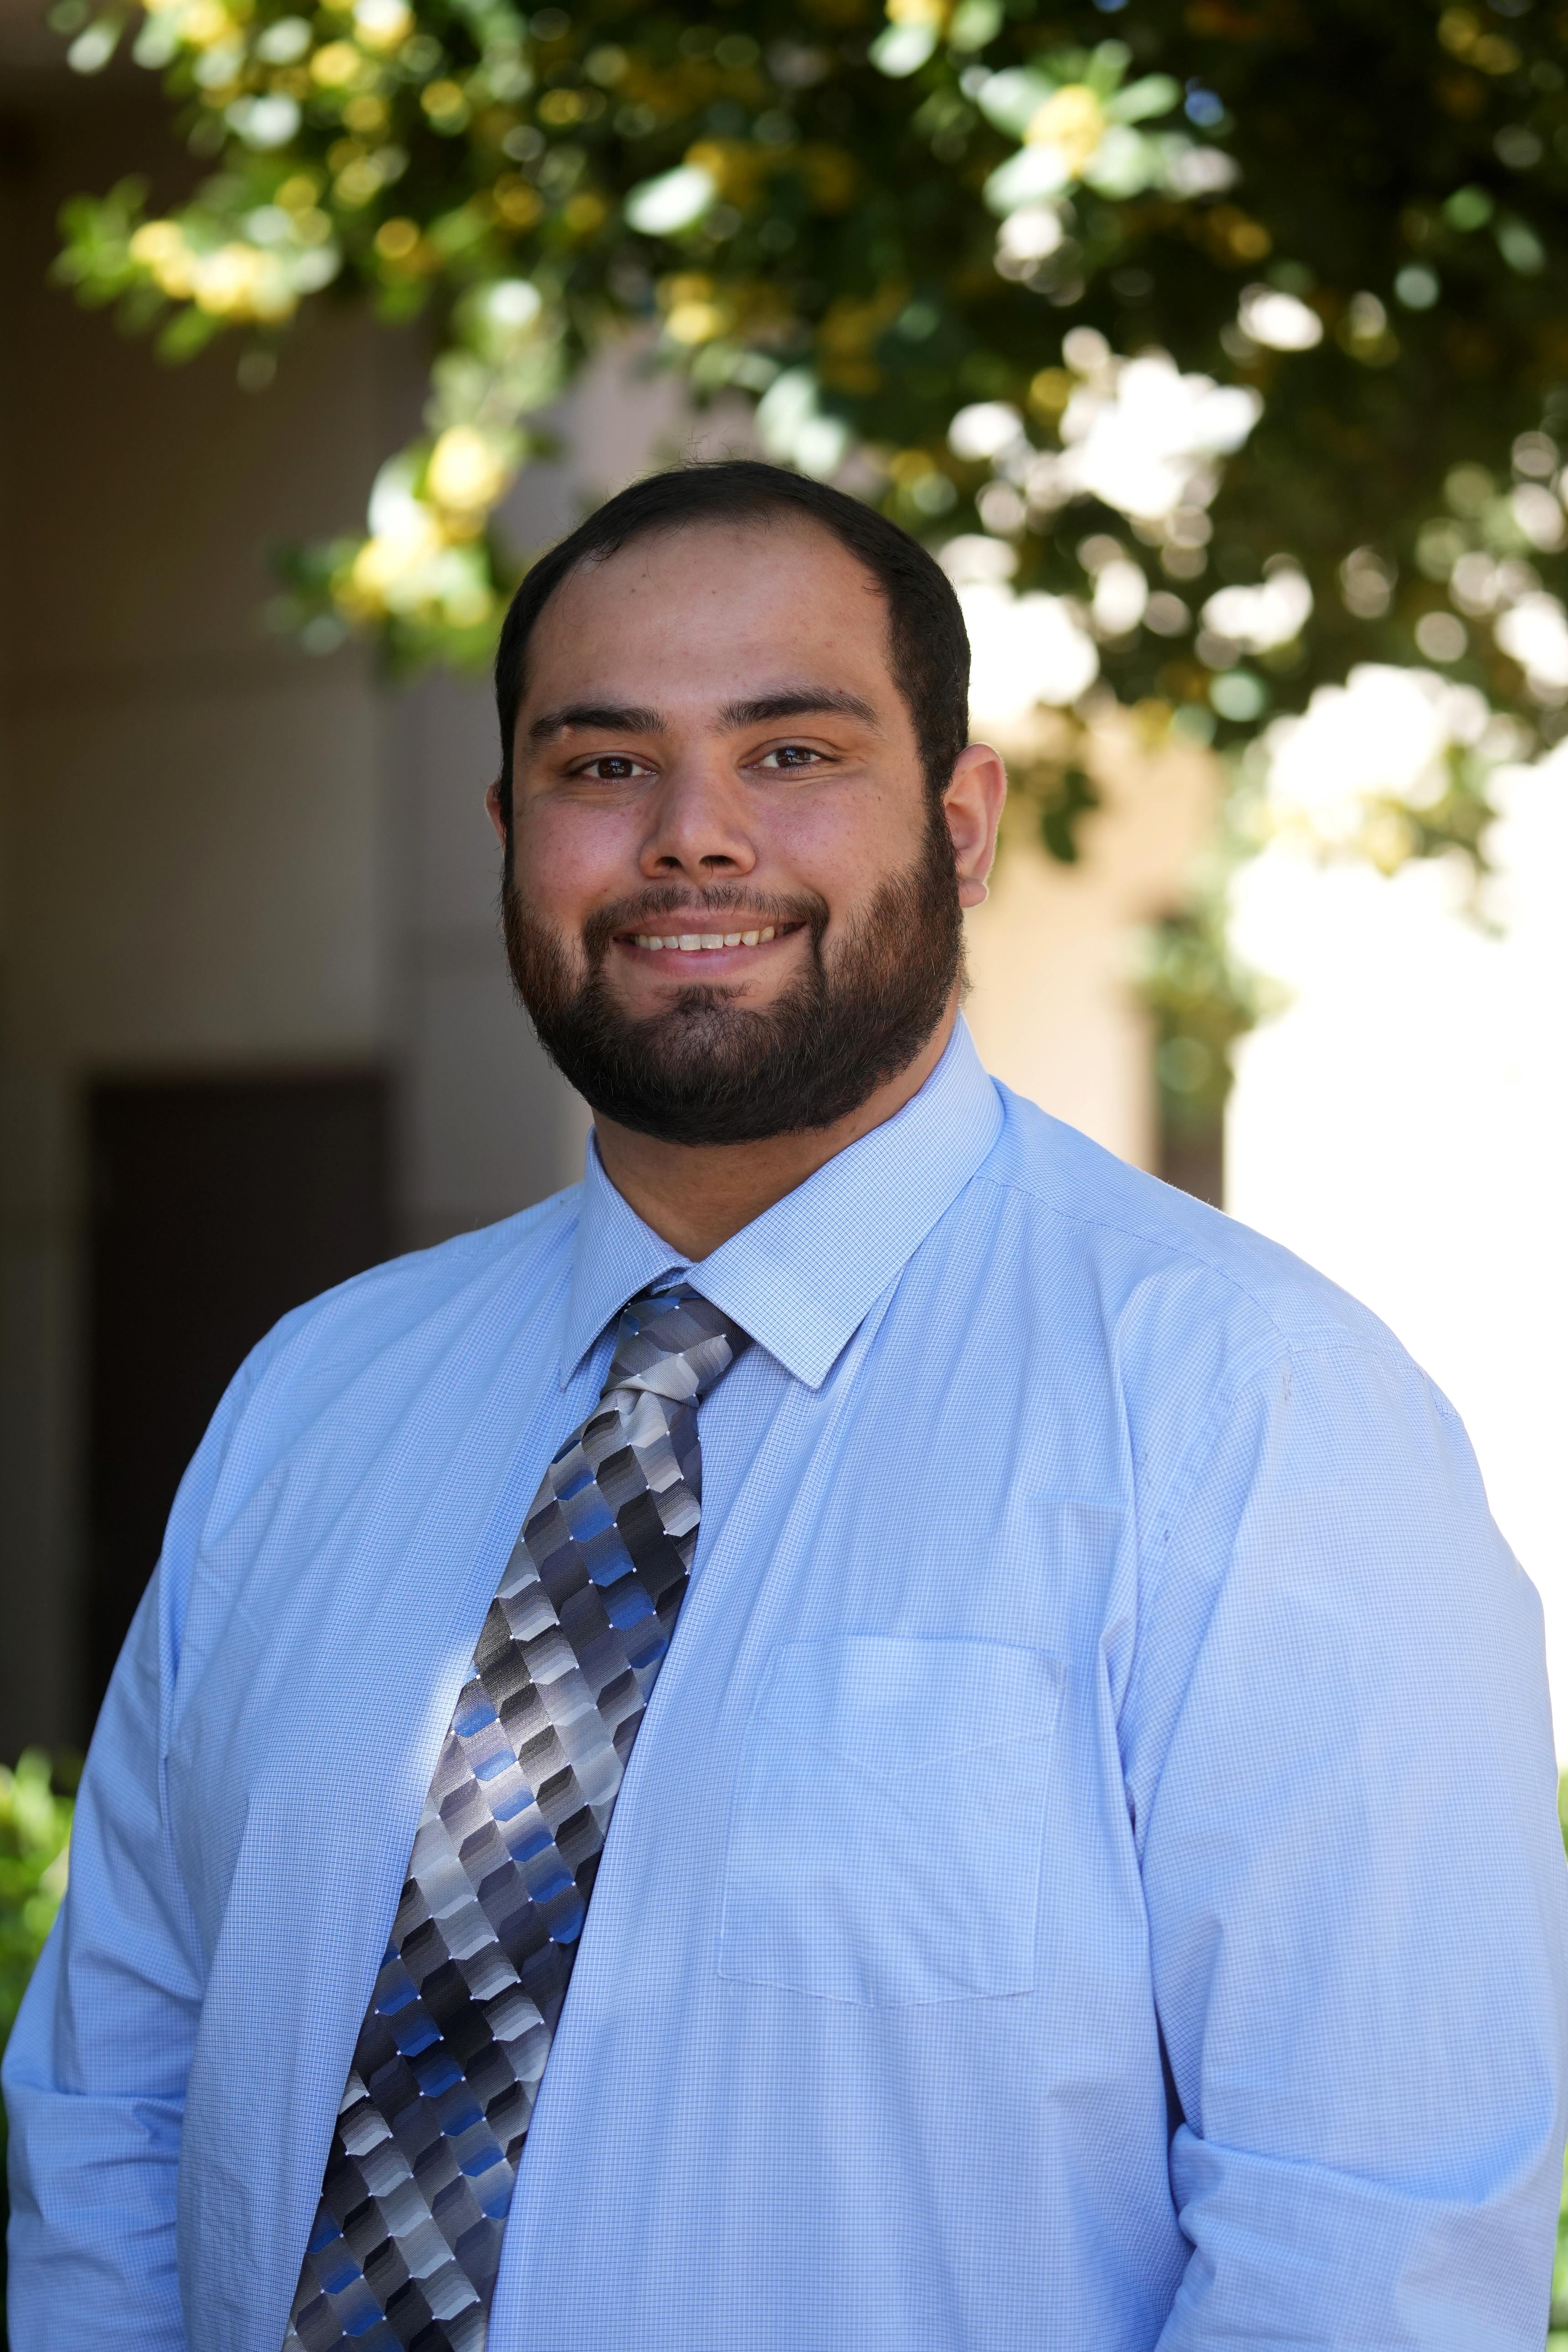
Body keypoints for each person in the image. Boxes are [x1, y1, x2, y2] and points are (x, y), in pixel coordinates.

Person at [5, 460, 1565, 2352]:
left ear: (966, 823)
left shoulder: (1256, 1415)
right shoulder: (311, 1402)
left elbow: (1371, 2253)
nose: (693, 839)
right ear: (510, 832)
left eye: (794, 753)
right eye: (603, 768)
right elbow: (113, 2119)